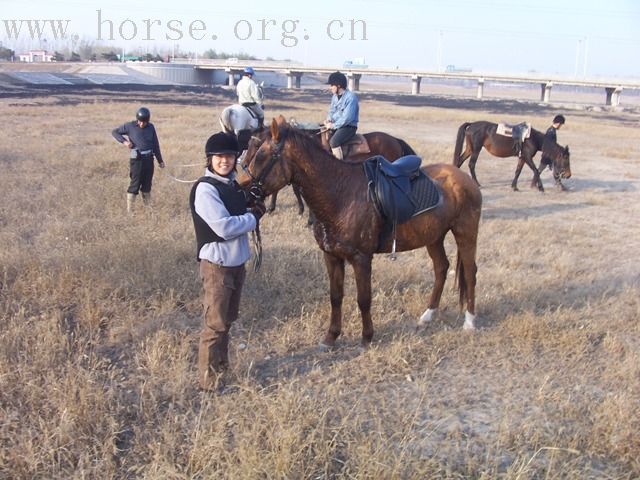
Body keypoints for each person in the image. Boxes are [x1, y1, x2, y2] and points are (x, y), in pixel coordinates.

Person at [189, 132, 266, 392]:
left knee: (227, 320)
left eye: (230, 156)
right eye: (219, 156)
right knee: (215, 324)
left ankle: (221, 368)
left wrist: (249, 207)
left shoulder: (230, 185)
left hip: (234, 264)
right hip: (217, 266)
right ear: (209, 159)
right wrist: (253, 217)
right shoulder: (205, 189)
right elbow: (223, 227)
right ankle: (208, 383)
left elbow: (236, 213)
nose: (225, 161)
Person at [112, 107, 165, 213]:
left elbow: (155, 144)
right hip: (137, 160)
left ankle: (148, 209)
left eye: (144, 122)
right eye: (140, 122)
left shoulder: (151, 127)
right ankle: (130, 211)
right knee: (135, 184)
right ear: (137, 119)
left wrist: (160, 160)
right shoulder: (129, 126)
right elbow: (115, 132)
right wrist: (125, 142)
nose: (142, 124)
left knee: (147, 185)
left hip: (149, 160)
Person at [323, 71, 359, 160]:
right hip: (337, 125)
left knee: (334, 142)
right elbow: (331, 111)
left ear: (338, 85)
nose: (330, 87)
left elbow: (347, 118)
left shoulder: (351, 98)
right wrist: (328, 120)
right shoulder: (334, 97)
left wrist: (333, 125)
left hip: (349, 127)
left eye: (332, 85)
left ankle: (339, 166)